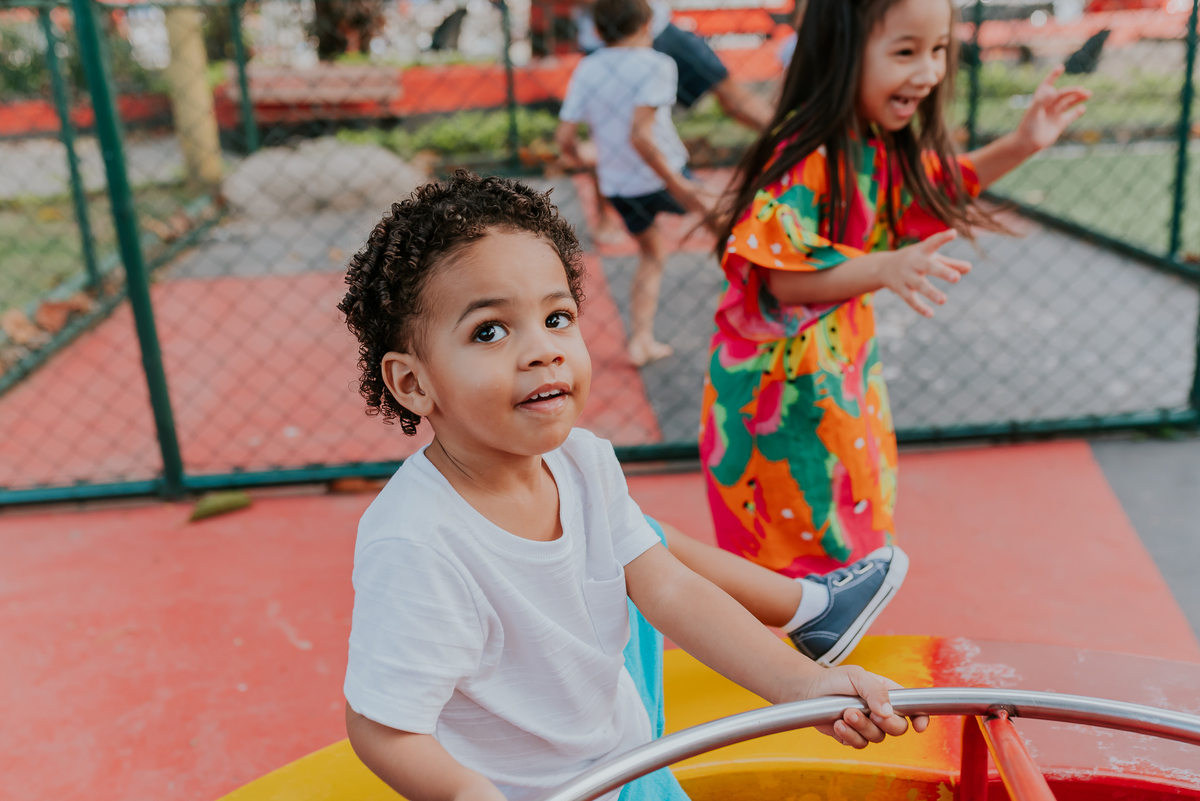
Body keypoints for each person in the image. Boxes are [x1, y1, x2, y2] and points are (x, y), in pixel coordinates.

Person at [337, 171, 929, 801]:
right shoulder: (418, 542)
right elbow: (382, 728)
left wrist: (800, 684)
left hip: (626, 771)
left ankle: (811, 615)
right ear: (412, 383)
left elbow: (669, 586)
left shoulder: (583, 462)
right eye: (490, 330)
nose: (544, 351)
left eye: (557, 317)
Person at [701, 0, 1089, 600]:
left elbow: (933, 186)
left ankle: (830, 653)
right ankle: (801, 674)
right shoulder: (807, 152)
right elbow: (781, 278)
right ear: (842, 53)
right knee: (795, 562)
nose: (929, 72)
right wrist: (883, 266)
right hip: (779, 396)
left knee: (848, 539)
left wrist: (1022, 143)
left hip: (837, 372)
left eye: (937, 50)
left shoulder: (875, 141)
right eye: (905, 52)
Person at [556, 0, 713, 367]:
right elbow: (641, 136)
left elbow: (564, 137)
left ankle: (640, 341)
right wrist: (678, 184)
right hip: (663, 176)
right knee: (727, 218)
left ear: (596, 30)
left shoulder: (588, 67)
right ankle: (761, 300)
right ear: (647, 23)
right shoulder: (657, 63)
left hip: (620, 187)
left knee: (652, 253)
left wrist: (587, 158)